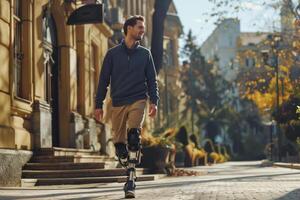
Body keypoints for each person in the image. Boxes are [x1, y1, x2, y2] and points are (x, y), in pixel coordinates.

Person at [94, 15, 159, 198]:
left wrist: (154, 101)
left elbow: (152, 81)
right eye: (139, 27)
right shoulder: (112, 54)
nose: (142, 30)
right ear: (129, 28)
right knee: (120, 146)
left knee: (133, 136)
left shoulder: (145, 54)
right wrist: (98, 104)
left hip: (138, 99)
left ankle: (130, 179)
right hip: (118, 102)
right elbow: (103, 81)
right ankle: (126, 159)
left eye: (143, 28)